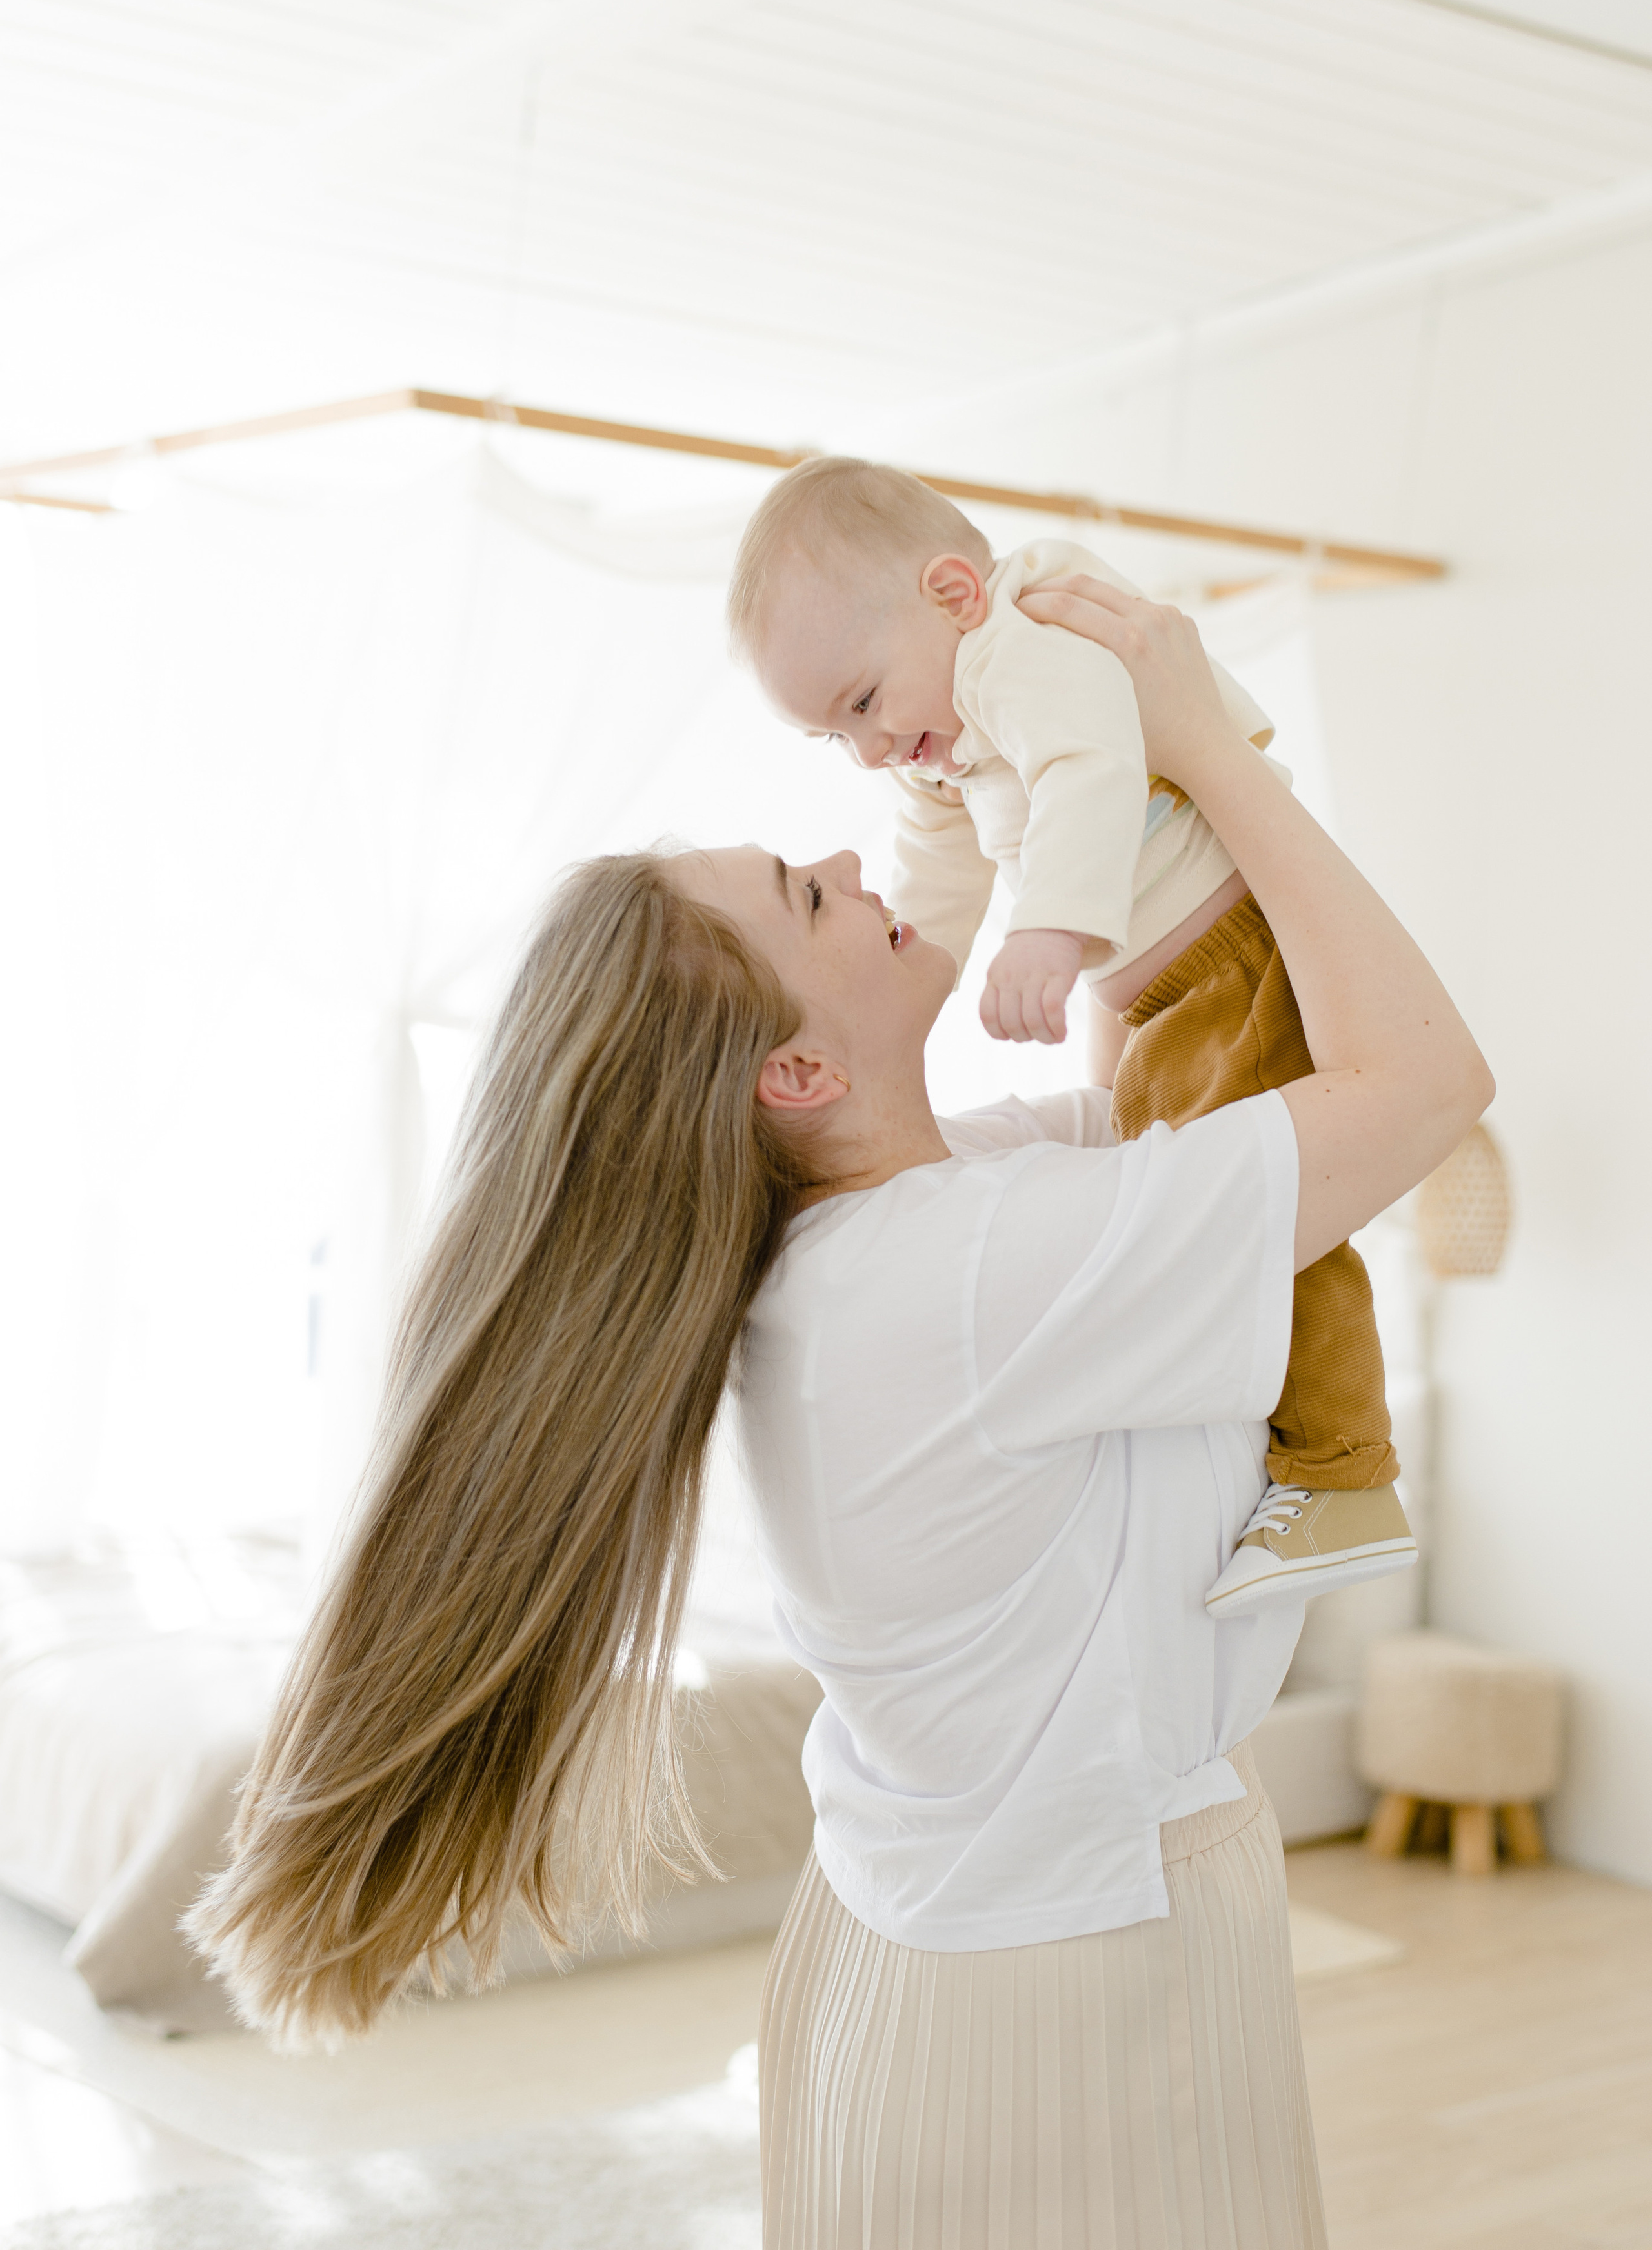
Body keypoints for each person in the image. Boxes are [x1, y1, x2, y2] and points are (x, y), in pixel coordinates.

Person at [186, 584, 1491, 2249]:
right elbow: (1425, 1084)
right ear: (792, 1075)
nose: (866, 867)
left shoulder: (915, 1232)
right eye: (811, 894)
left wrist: (1089, 806)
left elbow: (1179, 1075)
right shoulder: (970, 1270)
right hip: (1070, 1968)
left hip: (958, 1933)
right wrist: (1215, 755)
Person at [726, 456, 1415, 1619]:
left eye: (861, 704)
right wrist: (919, 981)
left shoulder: (1018, 648)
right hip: (1170, 997)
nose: (874, 750)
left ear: (952, 594)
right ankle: (1307, 1455)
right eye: (834, 739)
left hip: (1235, 960)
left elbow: (1090, 768)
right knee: (1233, 1205)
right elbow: (933, 877)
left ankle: (1345, 1475)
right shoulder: (941, 731)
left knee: (1285, 1235)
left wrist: (1047, 933)